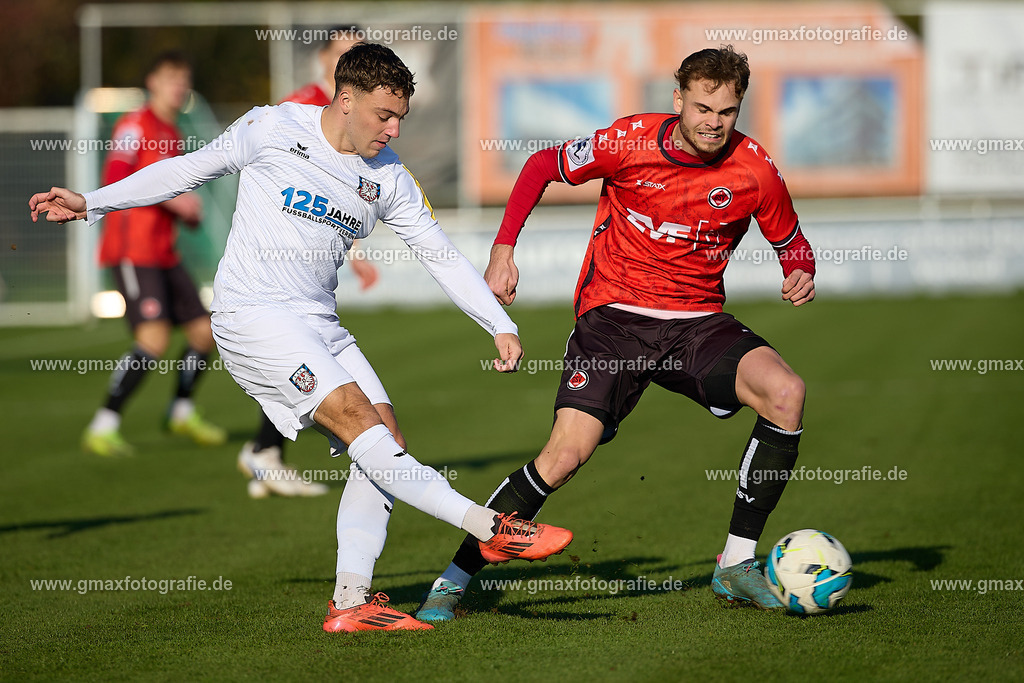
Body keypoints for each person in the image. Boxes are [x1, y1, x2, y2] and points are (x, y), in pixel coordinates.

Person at [31, 42, 573, 633]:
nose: (392, 129)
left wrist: (498, 324)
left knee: (385, 438)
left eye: (400, 118)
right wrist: (91, 203)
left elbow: (439, 255)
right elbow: (189, 168)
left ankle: (350, 605)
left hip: (317, 321)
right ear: (345, 100)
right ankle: (489, 527)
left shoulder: (388, 178)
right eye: (383, 116)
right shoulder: (273, 126)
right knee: (355, 419)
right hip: (251, 316)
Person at [415, 45, 816, 621]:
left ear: (739, 108)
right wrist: (503, 248)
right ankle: (454, 579)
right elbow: (539, 167)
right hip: (613, 323)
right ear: (677, 99)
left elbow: (792, 242)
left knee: (787, 393)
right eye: (702, 107)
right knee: (564, 457)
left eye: (726, 112)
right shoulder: (626, 142)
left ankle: (735, 562)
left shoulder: (755, 169)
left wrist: (798, 269)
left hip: (696, 323)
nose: (712, 122)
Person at [237, 25, 375, 498]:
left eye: (357, 51)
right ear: (323, 59)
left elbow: (342, 197)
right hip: (273, 264)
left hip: (312, 269)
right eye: (342, 51)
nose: (350, 58)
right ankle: (262, 451)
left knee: (302, 349)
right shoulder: (301, 107)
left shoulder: (362, 114)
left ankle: (264, 453)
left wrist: (355, 253)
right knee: (293, 351)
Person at [81, 50, 226, 457]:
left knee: (204, 333)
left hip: (163, 251)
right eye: (171, 78)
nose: (179, 86)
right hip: (132, 250)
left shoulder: (172, 131)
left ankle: (180, 411)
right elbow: (115, 176)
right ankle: (102, 425)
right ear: (153, 82)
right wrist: (173, 202)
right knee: (154, 338)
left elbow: (167, 187)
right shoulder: (134, 124)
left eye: (184, 79)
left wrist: (185, 211)